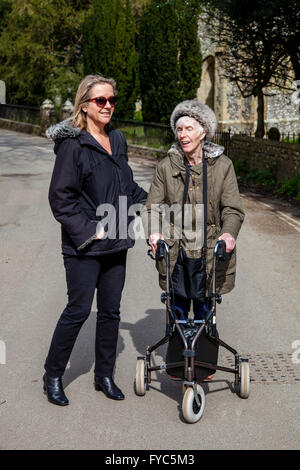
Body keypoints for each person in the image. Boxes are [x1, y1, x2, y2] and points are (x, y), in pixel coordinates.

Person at [43, 74, 147, 405]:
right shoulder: (73, 146)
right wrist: (89, 231)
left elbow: (125, 185)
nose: (108, 106)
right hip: (84, 247)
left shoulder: (117, 139)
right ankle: (54, 374)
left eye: (112, 100)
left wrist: (155, 200)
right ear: (85, 105)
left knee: (111, 312)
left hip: (117, 241)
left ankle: (104, 375)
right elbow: (61, 198)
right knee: (78, 309)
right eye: (100, 100)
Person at [143, 99, 244, 333]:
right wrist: (154, 232)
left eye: (188, 128)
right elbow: (152, 208)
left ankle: (204, 364)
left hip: (209, 251)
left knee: (205, 316)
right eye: (179, 129)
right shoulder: (166, 167)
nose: (182, 134)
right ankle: (180, 363)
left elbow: (232, 208)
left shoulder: (223, 166)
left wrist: (228, 233)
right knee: (177, 316)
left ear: (203, 132)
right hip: (176, 252)